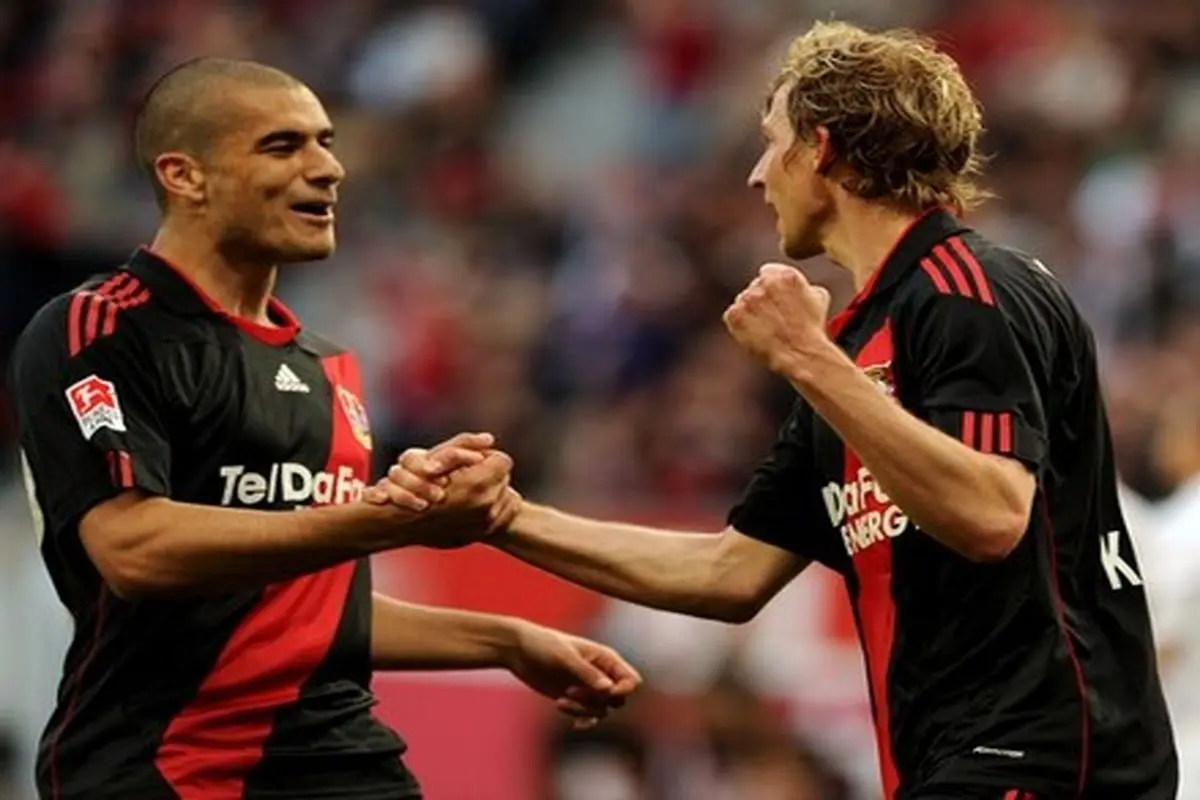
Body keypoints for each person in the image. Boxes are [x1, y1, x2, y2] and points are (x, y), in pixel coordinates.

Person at [379, 21, 1178, 800]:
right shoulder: (853, 347)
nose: (758, 176)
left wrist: (806, 359)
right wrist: (504, 518)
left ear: (821, 148)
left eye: (772, 142)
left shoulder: (968, 289)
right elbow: (730, 574)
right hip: (947, 758)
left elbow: (993, 514)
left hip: (1042, 756)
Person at [8, 58, 640, 800]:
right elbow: (134, 550)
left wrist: (506, 640)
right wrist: (389, 519)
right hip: (166, 764)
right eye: (283, 146)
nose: (328, 169)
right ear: (185, 176)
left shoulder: (324, 368)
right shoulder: (100, 329)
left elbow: (311, 608)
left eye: (326, 143)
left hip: (339, 755)